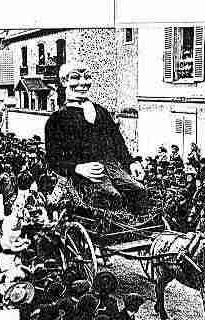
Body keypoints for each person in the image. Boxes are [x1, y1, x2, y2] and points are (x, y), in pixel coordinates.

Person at [45, 62, 147, 213]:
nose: (83, 83)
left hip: (111, 166)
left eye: (87, 77)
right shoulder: (57, 119)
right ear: (64, 82)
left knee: (138, 190)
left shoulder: (101, 112)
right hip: (83, 173)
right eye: (75, 78)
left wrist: (131, 163)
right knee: (112, 196)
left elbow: (118, 143)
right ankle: (115, 232)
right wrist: (77, 168)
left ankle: (136, 227)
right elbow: (53, 159)